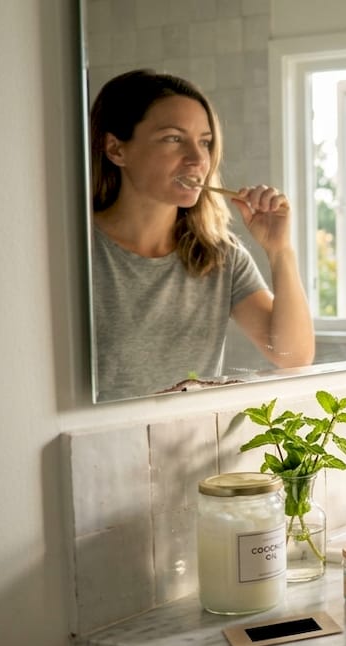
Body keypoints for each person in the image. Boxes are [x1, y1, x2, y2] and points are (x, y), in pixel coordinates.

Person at [89, 69, 314, 400]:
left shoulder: (220, 256)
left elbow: (293, 357)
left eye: (205, 142)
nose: (197, 159)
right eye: (173, 138)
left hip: (194, 449)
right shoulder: (75, 253)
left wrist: (280, 250)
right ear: (116, 149)